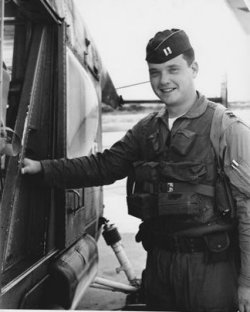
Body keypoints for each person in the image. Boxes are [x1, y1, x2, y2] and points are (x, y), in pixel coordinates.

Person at [22, 28, 250, 312]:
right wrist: (41, 168)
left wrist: (246, 283)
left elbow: (247, 210)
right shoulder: (147, 130)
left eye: (173, 69)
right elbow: (102, 166)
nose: (163, 80)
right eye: (155, 72)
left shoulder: (227, 129)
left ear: (194, 69)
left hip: (211, 271)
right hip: (159, 265)